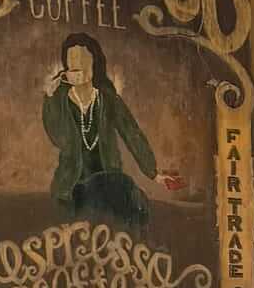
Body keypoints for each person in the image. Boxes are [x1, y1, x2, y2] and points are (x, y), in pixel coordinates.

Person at [42, 34, 182, 227]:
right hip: (73, 186)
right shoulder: (60, 99)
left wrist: (154, 173)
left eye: (83, 59)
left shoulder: (108, 99)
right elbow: (58, 138)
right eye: (71, 60)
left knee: (128, 197)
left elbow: (132, 133)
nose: (77, 64)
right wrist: (49, 97)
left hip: (109, 182)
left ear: (95, 64)